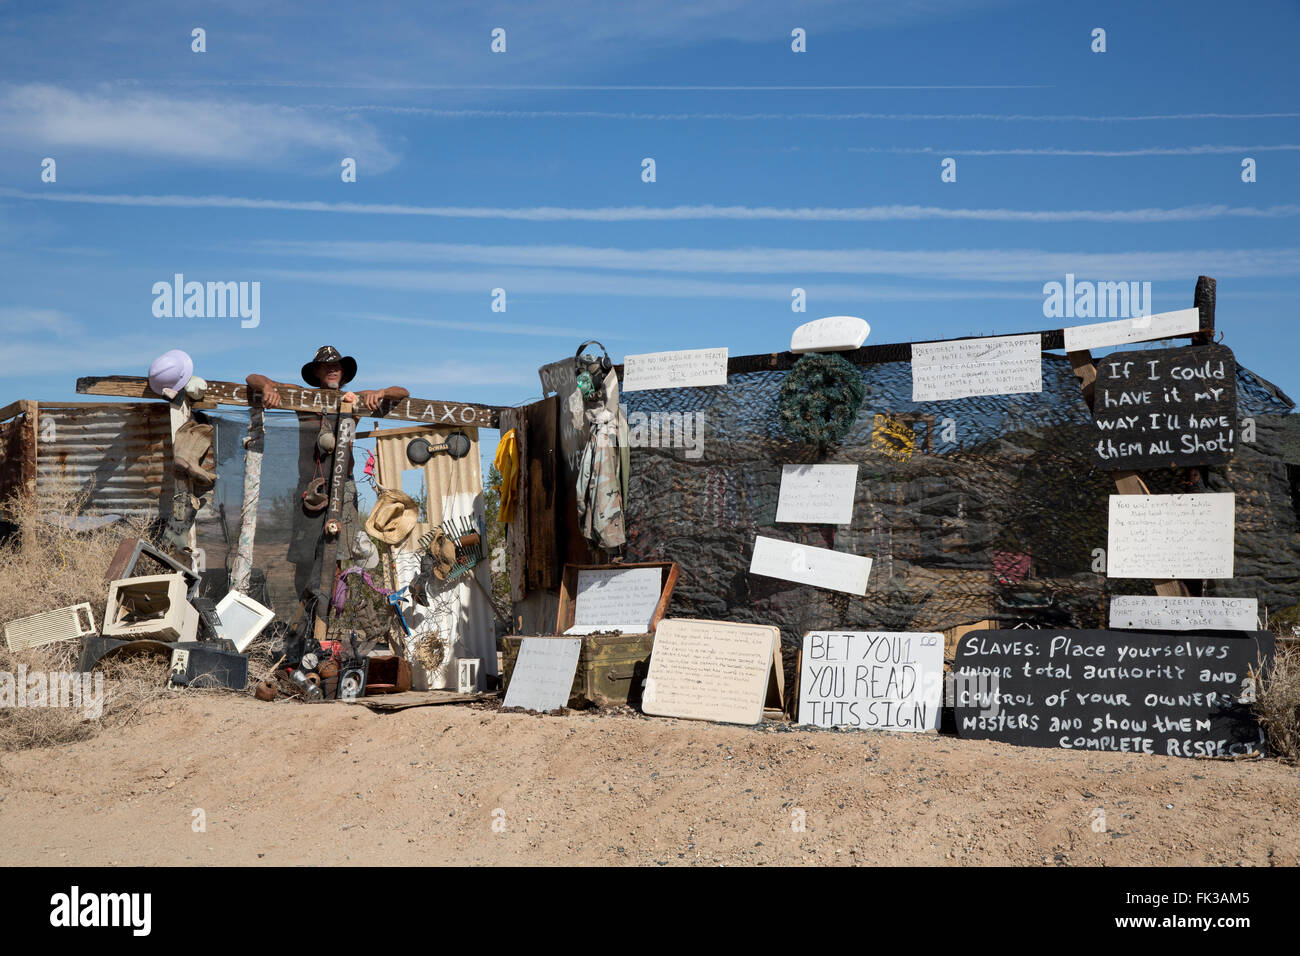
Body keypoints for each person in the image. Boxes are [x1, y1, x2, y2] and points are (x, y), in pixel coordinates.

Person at [246, 346, 409, 606]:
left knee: (337, 555)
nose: (332, 368)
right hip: (309, 488)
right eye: (325, 366)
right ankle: (305, 618)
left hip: (344, 488)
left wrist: (381, 393)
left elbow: (402, 393)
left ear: (343, 372)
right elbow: (252, 378)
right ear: (316, 373)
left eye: (337, 365)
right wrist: (266, 387)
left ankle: (328, 622)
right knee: (303, 557)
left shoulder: (354, 399)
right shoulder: (303, 398)